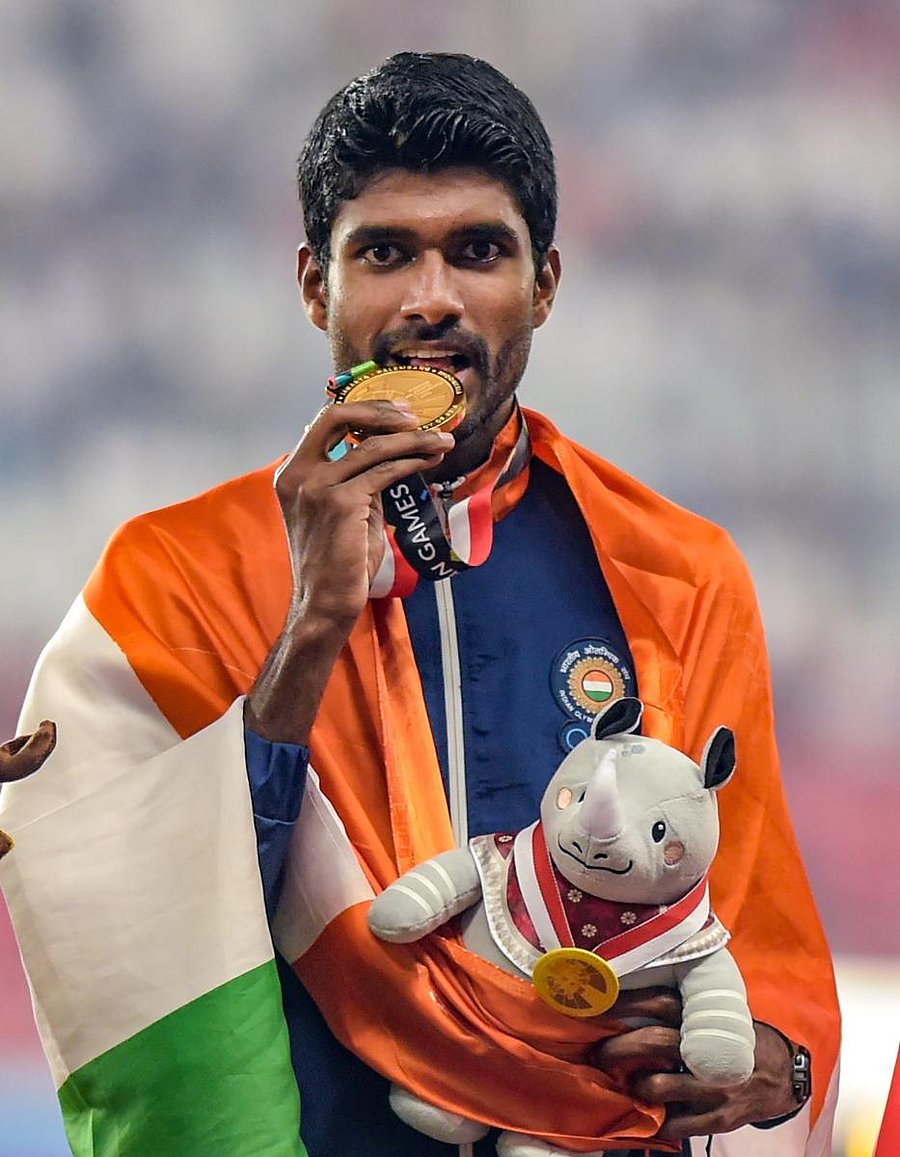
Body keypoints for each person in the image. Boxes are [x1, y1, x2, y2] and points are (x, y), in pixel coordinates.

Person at [0, 53, 839, 1157]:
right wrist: (310, 629)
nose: (433, 297)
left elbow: (756, 931)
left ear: (543, 283)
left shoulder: (677, 572)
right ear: (316, 285)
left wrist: (779, 1066)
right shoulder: (170, 578)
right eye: (385, 251)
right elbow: (132, 942)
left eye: (478, 251)